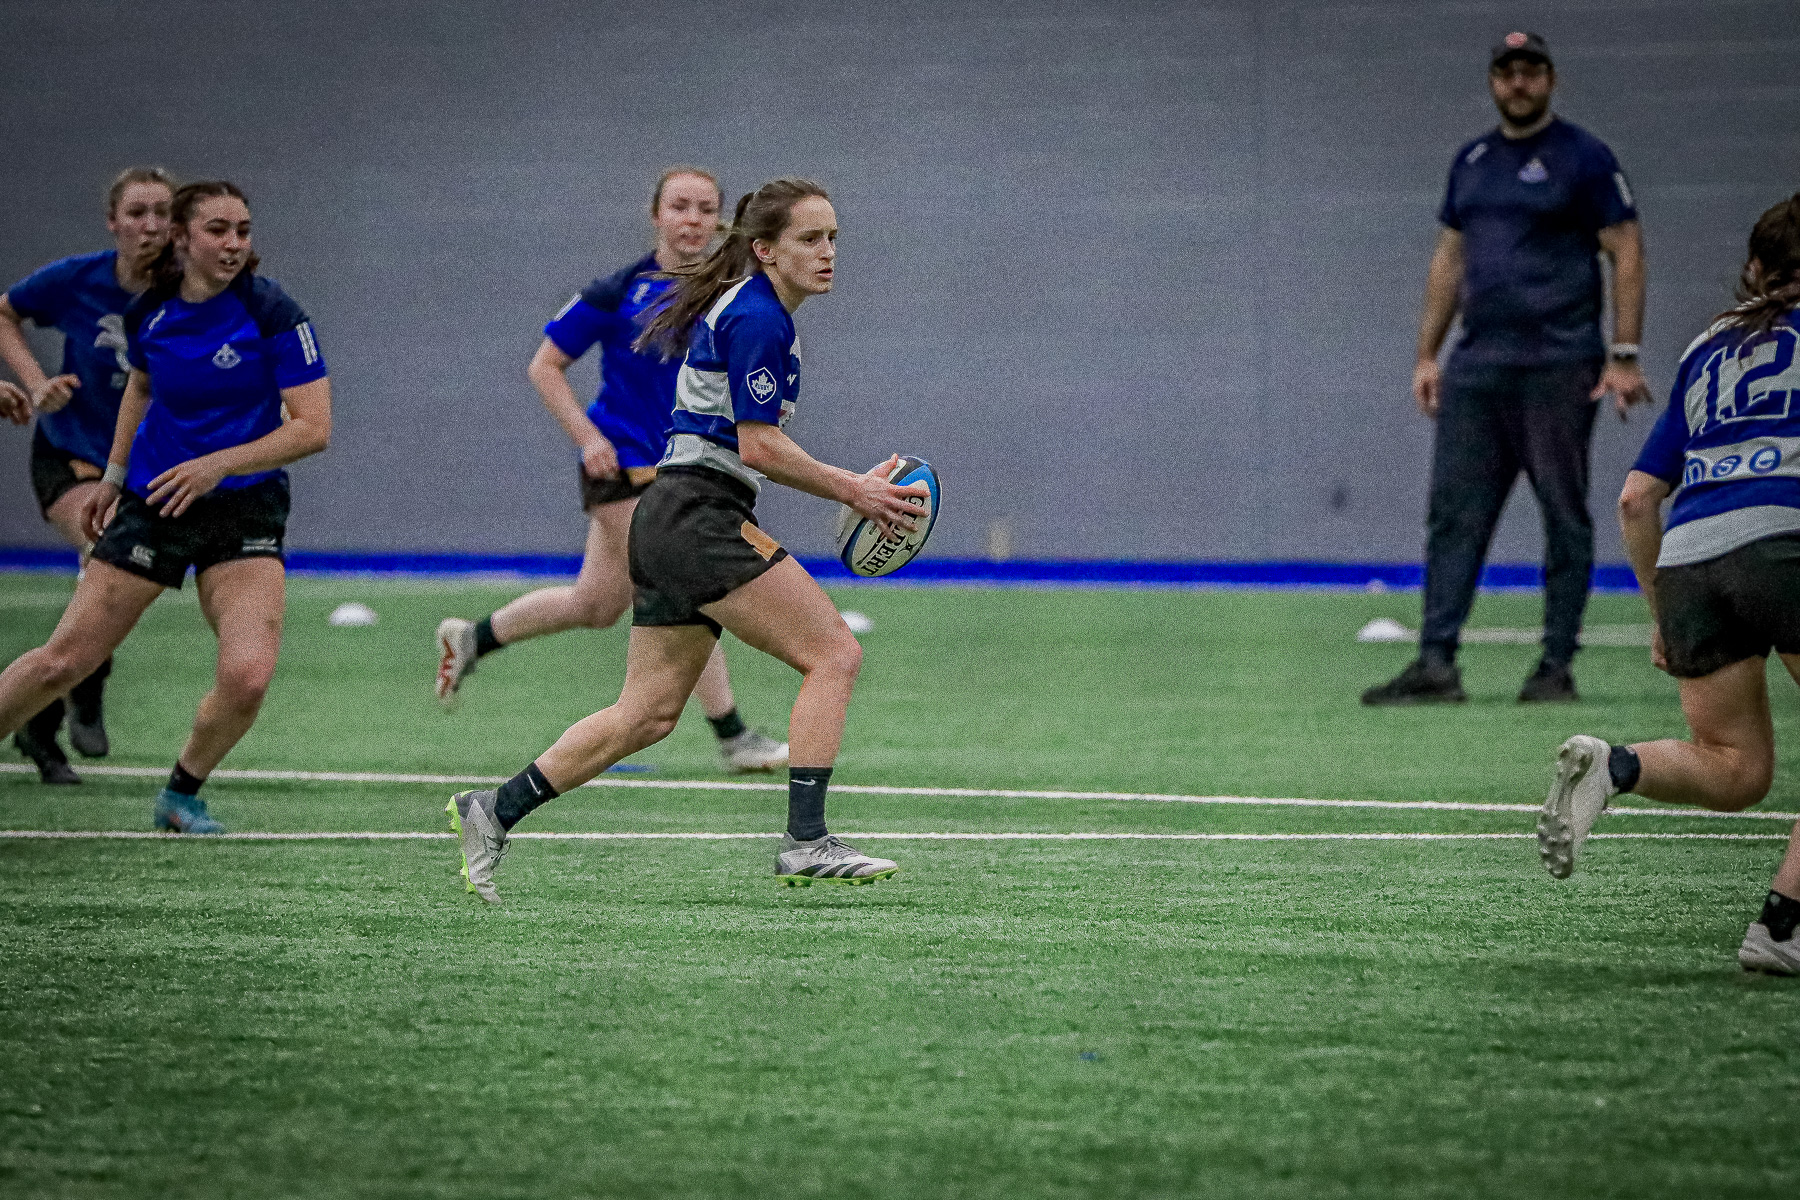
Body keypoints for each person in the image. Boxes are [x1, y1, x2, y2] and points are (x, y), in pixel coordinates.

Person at [448, 178, 927, 902]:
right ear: (764, 250)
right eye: (810, 239)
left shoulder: (759, 311)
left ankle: (494, 810)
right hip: (697, 516)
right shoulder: (760, 317)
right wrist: (854, 489)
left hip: (673, 514)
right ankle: (805, 842)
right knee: (834, 652)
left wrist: (845, 482)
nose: (828, 253)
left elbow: (751, 448)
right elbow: (759, 447)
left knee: (646, 716)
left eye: (833, 238)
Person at [0, 180, 331, 833]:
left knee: (248, 677)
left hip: (244, 508)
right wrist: (113, 477)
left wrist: (218, 465)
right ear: (183, 237)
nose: (233, 243)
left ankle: (181, 794)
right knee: (63, 661)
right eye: (217, 230)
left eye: (242, 229)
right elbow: (142, 389)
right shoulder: (149, 311)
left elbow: (312, 428)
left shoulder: (273, 313)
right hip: (155, 501)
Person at [435, 168, 788, 774]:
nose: (693, 219)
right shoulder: (616, 291)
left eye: (706, 209)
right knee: (686, 582)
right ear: (656, 215)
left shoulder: (734, 293)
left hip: (687, 469)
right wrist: (588, 438)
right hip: (622, 465)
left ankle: (473, 636)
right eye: (680, 206)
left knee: (596, 604)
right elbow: (545, 366)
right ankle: (732, 736)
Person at [1537, 194, 1800, 973]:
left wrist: (1664, 614)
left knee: (1736, 766)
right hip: (1787, 535)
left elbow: (1636, 497)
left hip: (1690, 553)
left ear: (1753, 270)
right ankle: (1783, 927)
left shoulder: (1708, 348)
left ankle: (1617, 766)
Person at [1364, 31, 1653, 707]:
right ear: (1493, 82)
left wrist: (1625, 352)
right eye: (1506, 73)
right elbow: (1449, 261)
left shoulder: (1584, 159)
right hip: (1478, 366)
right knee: (1453, 514)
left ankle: (1555, 666)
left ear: (1549, 79)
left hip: (1558, 362)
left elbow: (1628, 250)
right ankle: (1436, 662)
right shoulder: (1472, 161)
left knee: (1562, 512)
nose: (1517, 84)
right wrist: (1427, 355)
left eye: (1529, 72)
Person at [0, 167, 176, 782]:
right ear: (113, 222)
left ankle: (43, 719)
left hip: (142, 467)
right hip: (70, 454)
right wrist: (36, 381)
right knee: (109, 555)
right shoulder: (78, 280)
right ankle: (83, 689)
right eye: (137, 213)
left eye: (162, 212)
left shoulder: (188, 291)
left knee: (107, 590)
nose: (150, 225)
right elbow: (5, 312)